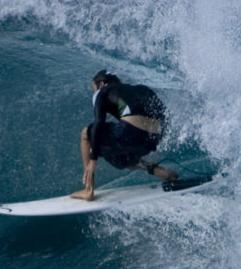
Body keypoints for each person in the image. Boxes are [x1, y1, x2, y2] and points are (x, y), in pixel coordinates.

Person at [70, 70, 178, 201]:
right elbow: (164, 116)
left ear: (102, 84)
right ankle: (156, 170)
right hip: (154, 138)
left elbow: (99, 123)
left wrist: (93, 159)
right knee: (120, 159)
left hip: (131, 132)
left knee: (86, 134)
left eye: (94, 88)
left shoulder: (102, 91)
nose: (94, 92)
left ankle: (88, 190)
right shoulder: (140, 89)